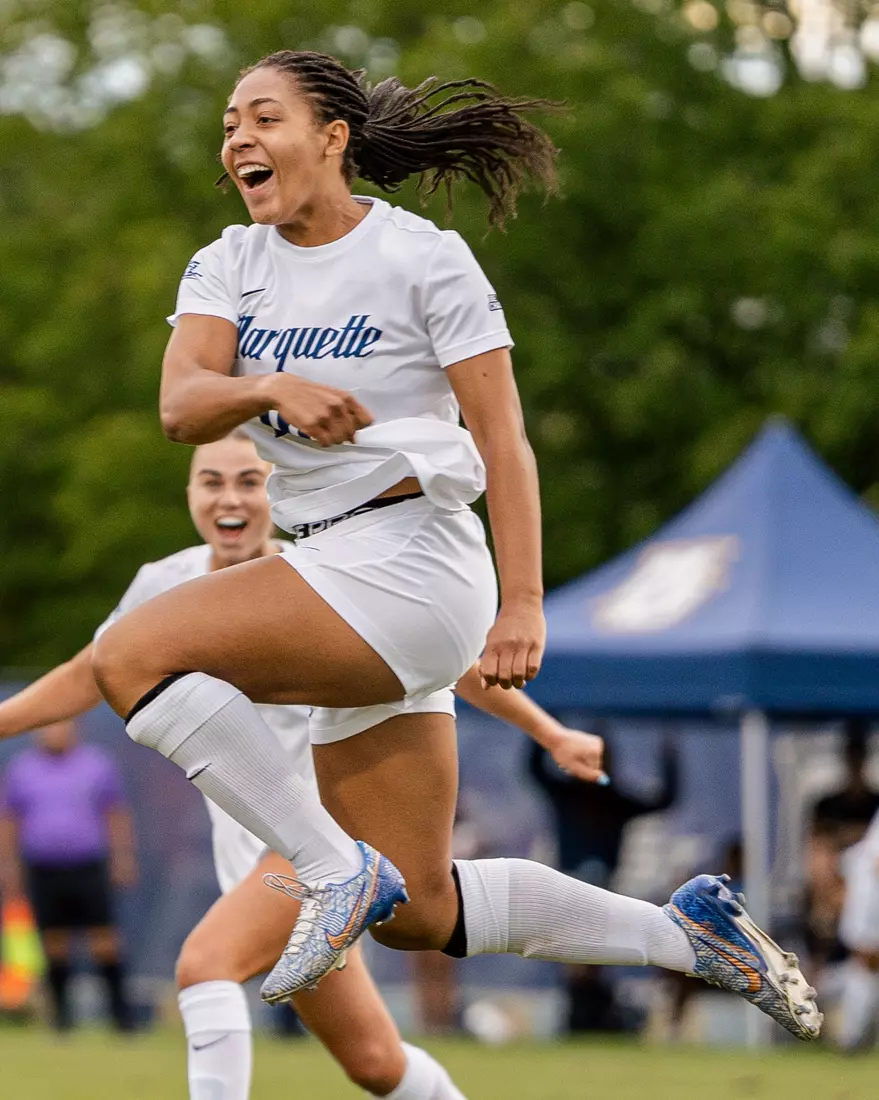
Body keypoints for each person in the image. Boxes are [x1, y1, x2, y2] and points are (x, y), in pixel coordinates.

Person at [88, 49, 820, 1039]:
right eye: (228, 125)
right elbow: (182, 402)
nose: (237, 141)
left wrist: (525, 602)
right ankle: (687, 934)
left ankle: (332, 868)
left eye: (262, 118)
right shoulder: (229, 262)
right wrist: (267, 388)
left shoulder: (424, 257)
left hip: (413, 561)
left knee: (131, 650)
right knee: (421, 909)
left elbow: (504, 441)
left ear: (333, 138)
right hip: (326, 567)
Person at [0, 432, 606, 1099]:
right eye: (212, 482)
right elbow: (92, 671)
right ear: (191, 494)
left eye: (248, 481)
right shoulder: (163, 586)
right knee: (375, 1062)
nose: (229, 498)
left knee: (206, 966)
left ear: (278, 491)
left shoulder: (322, 579)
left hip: (319, 851)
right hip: (254, 867)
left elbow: (454, 662)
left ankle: (663, 934)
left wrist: (549, 734)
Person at [527, 732, 679, 1032]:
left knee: (591, 954)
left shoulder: (612, 799)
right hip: (571, 887)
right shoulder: (569, 793)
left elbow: (664, 799)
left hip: (600, 890)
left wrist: (669, 753)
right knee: (579, 954)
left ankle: (589, 1016)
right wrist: (545, 732)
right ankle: (580, 1015)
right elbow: (534, 770)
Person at [0, 719, 135, 1031]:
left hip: (87, 865)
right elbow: (10, 820)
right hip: (43, 867)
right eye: (48, 728)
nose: (54, 734)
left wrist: (123, 858)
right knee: (54, 942)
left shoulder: (97, 765)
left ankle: (122, 1019)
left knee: (104, 940)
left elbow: (115, 813)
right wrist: (9, 868)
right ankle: (62, 1021)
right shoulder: (22, 770)